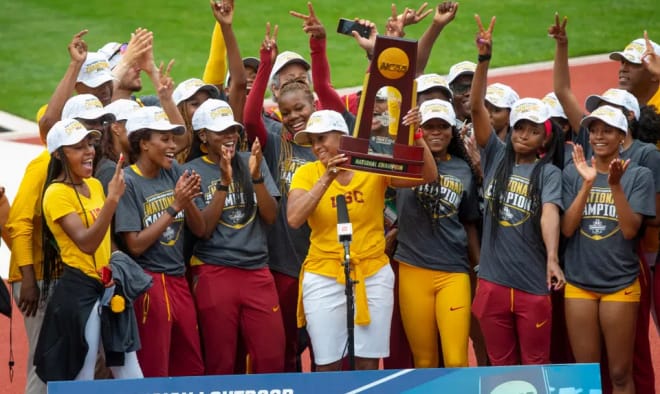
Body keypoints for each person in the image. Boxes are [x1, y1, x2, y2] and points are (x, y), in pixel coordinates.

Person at [286, 109, 437, 371]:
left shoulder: (370, 165)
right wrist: (326, 178)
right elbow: (294, 218)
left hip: (373, 271)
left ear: (343, 137)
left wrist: (418, 136)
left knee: (368, 361)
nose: (317, 147)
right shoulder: (307, 173)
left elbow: (427, 175)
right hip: (323, 272)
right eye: (312, 142)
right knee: (326, 362)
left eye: (322, 138)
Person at [469, 15, 565, 366]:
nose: (524, 134)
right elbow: (476, 105)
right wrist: (484, 60)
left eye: (533, 129)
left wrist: (552, 259)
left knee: (535, 367)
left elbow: (550, 213)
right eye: (519, 127)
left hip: (532, 288)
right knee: (500, 368)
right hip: (493, 285)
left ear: (545, 138)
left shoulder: (549, 173)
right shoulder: (494, 154)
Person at [33, 118, 142, 381]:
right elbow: (87, 242)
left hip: (108, 286)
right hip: (80, 292)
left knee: (130, 370)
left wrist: (116, 263)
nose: (89, 151)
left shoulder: (93, 184)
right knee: (83, 373)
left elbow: (104, 239)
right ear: (59, 154)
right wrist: (113, 199)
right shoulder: (56, 194)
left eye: (89, 144)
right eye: (78, 147)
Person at [186, 98, 285, 374]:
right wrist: (224, 183)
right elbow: (203, 230)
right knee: (221, 361)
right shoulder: (190, 171)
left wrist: (255, 177)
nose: (230, 137)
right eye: (221, 131)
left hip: (257, 271)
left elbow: (271, 215)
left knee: (271, 357)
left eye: (233, 130)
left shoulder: (251, 160)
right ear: (203, 135)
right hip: (214, 272)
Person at [562, 106, 655, 394]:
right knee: (587, 376)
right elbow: (567, 229)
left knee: (619, 373)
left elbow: (630, 231)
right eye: (594, 130)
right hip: (579, 284)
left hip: (620, 283)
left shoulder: (639, 175)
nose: (598, 136)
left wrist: (615, 186)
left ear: (621, 136)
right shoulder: (573, 172)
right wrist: (587, 183)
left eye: (606, 131)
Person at [114, 106, 206, 377]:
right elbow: (135, 244)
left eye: (173, 138)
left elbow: (200, 228)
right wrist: (175, 206)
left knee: (191, 368)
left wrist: (187, 203)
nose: (173, 145)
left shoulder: (174, 171)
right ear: (143, 143)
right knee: (156, 369)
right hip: (148, 285)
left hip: (178, 281)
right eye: (164, 139)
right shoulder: (128, 182)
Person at [394, 99, 480, 368]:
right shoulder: (403, 161)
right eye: (428, 126)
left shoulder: (462, 168)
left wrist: (477, 266)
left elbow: (468, 221)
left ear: (452, 130)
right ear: (419, 129)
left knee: (456, 359)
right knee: (424, 360)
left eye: (442, 126)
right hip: (413, 269)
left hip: (453, 272)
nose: (436, 132)